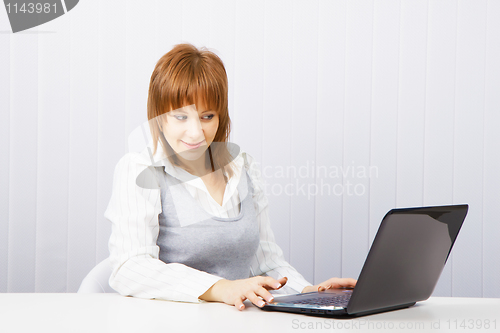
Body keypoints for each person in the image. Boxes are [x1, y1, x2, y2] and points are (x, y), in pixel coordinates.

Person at [104, 43, 356, 310]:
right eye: (180, 117)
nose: (195, 133)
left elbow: (266, 264)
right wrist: (221, 288)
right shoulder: (141, 169)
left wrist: (312, 293)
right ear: (159, 117)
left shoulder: (242, 168)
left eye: (207, 116)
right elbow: (130, 267)